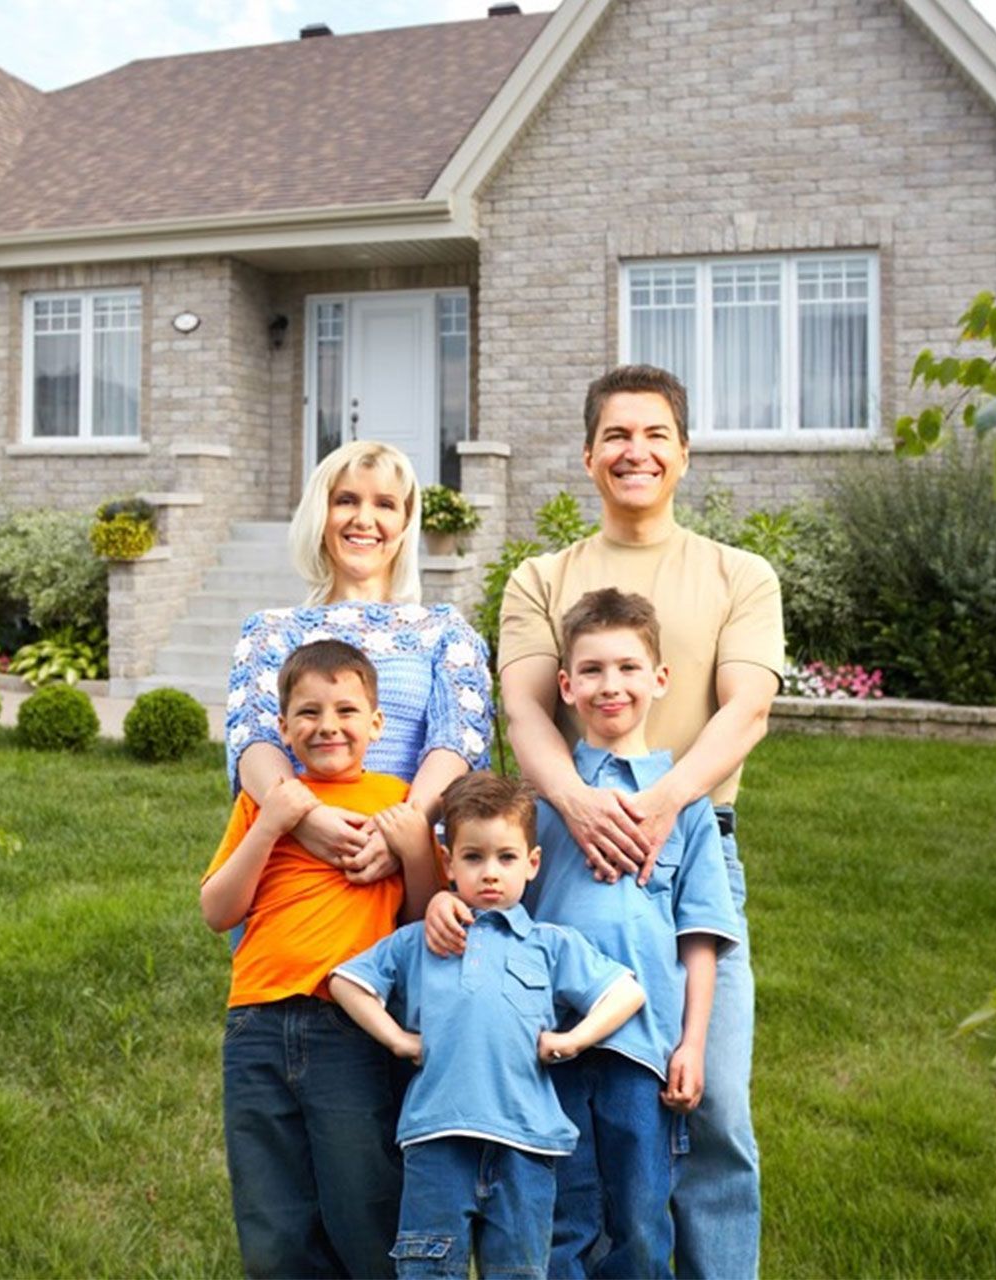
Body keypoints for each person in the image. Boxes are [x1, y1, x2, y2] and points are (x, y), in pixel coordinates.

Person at [428, 365, 782, 1278]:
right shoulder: (541, 578)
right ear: (589, 455)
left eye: (656, 434)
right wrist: (580, 806)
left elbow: (744, 710)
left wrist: (663, 806)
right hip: (562, 863)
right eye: (618, 435)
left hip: (691, 852)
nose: (637, 451)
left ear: (684, 453)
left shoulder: (739, 575)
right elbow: (525, 712)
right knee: (565, 1096)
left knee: (711, 1109)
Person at [329, 772, 644, 1280]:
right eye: (473, 858)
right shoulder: (421, 941)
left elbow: (625, 993)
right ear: (448, 863)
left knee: (518, 1272)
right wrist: (397, 1039)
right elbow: (347, 982)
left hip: (525, 1144)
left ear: (533, 864)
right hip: (437, 1139)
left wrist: (572, 1039)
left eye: (506, 857)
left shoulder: (549, 945)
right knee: (426, 1270)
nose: (490, 873)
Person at [521, 588, 742, 1279]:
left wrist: (694, 1044)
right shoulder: (541, 804)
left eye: (626, 667)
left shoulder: (686, 806)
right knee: (560, 1220)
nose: (609, 685)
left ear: (659, 679)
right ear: (565, 685)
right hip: (549, 1047)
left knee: (642, 1225)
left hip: (645, 1054)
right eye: (590, 670)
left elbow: (698, 938)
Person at [201, 639, 438, 1279]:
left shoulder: (397, 799)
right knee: (272, 1211)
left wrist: (415, 849)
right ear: (281, 728)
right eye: (307, 713)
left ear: (377, 723)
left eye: (345, 710)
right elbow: (217, 910)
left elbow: (421, 924)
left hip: (352, 1029)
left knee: (363, 1198)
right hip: (256, 1023)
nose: (327, 726)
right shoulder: (267, 804)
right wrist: (271, 825)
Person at [226, 441, 493, 888]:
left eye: (385, 504)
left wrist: (399, 834)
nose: (363, 519)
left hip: (413, 870)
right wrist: (307, 819)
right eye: (346, 500)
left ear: (405, 523)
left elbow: (457, 741)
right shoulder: (271, 632)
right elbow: (253, 739)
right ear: (320, 514)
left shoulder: (444, 631)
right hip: (298, 866)